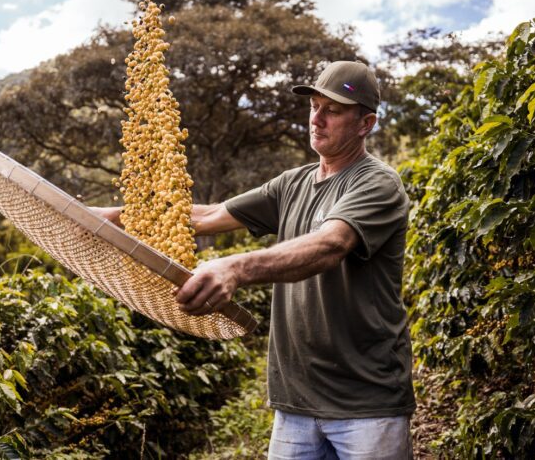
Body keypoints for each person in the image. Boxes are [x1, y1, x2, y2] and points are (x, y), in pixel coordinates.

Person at [95, 61, 414, 459]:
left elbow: (330, 244)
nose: (317, 119)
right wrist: (113, 216)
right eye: (314, 106)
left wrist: (234, 267)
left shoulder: (377, 183)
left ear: (365, 124)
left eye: (332, 110)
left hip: (366, 404)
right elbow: (208, 215)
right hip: (294, 402)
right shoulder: (291, 184)